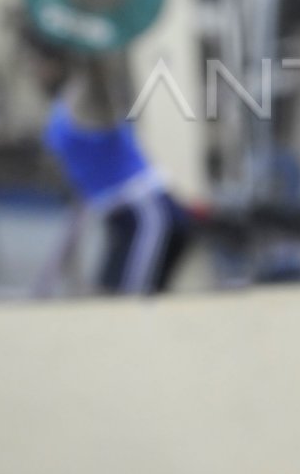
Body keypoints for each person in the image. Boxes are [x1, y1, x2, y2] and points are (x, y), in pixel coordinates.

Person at [19, 24, 192, 296]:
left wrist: (89, 26)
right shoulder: (61, 105)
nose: (31, 70)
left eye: (35, 62)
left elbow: (99, 69)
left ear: (55, 63)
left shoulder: (88, 96)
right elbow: (85, 183)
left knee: (128, 313)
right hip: (121, 221)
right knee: (105, 302)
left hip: (148, 215)